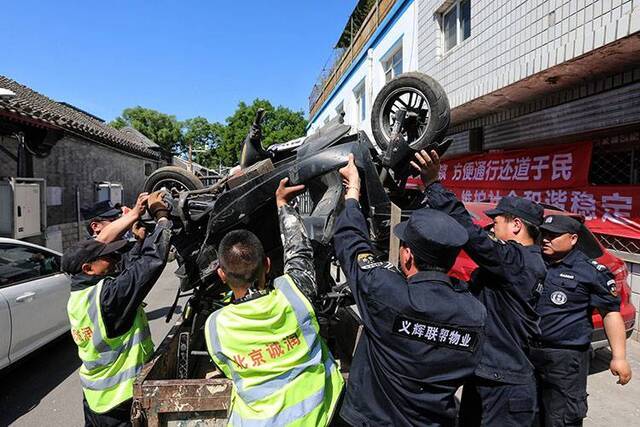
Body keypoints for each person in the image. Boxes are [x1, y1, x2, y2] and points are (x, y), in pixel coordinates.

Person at [333, 154, 487, 426]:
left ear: (407, 256)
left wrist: (353, 192)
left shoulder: (386, 293)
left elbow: (352, 244)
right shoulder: (474, 314)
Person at [411, 149, 547, 426]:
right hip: (489, 377)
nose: (491, 229)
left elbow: (471, 235)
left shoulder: (518, 262)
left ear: (517, 225)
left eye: (496, 223)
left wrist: (434, 184)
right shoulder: (518, 264)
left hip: (504, 388)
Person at [204, 178, 344, 427]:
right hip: (322, 417)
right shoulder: (294, 296)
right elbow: (299, 251)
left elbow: (228, 370)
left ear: (222, 275)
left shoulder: (216, 327)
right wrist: (283, 205)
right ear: (268, 265)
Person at [63, 191, 172, 427]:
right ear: (88, 268)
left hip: (95, 399)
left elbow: (126, 275)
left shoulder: (80, 295)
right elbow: (150, 264)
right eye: (107, 258)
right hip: (119, 402)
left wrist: (138, 237)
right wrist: (162, 218)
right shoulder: (108, 298)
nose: (113, 259)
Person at [530, 214, 632, 426]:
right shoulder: (533, 262)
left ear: (573, 239)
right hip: (528, 353)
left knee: (562, 418)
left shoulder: (591, 272)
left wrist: (619, 356)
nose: (546, 239)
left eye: (554, 235)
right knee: (528, 413)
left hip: (565, 359)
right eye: (544, 234)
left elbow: (611, 313)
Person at [83, 194, 149, 244]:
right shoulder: (90, 248)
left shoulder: (116, 241)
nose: (117, 222)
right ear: (95, 226)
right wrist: (134, 213)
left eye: (118, 218)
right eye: (112, 220)